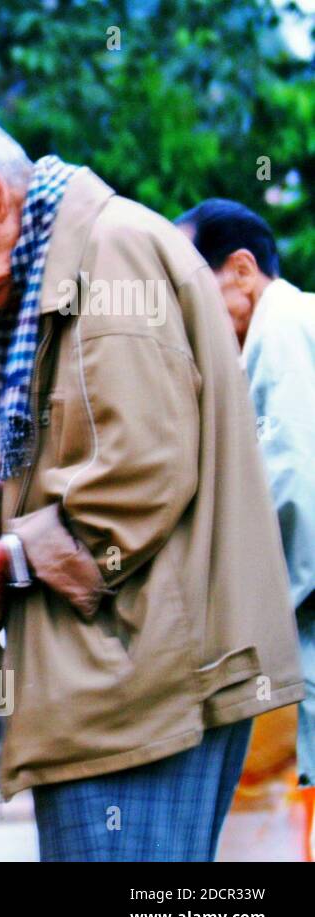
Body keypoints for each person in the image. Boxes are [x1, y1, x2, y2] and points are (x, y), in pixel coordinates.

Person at [0, 107, 303, 860]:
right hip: (128, 680)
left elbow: (142, 473)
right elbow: (108, 459)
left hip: (142, 688)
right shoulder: (71, 264)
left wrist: (3, 561)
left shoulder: (109, 255)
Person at [177, 198, 315, 854]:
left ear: (239, 269)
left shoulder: (282, 330)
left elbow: (299, 504)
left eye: (187, 283)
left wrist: (238, 634)